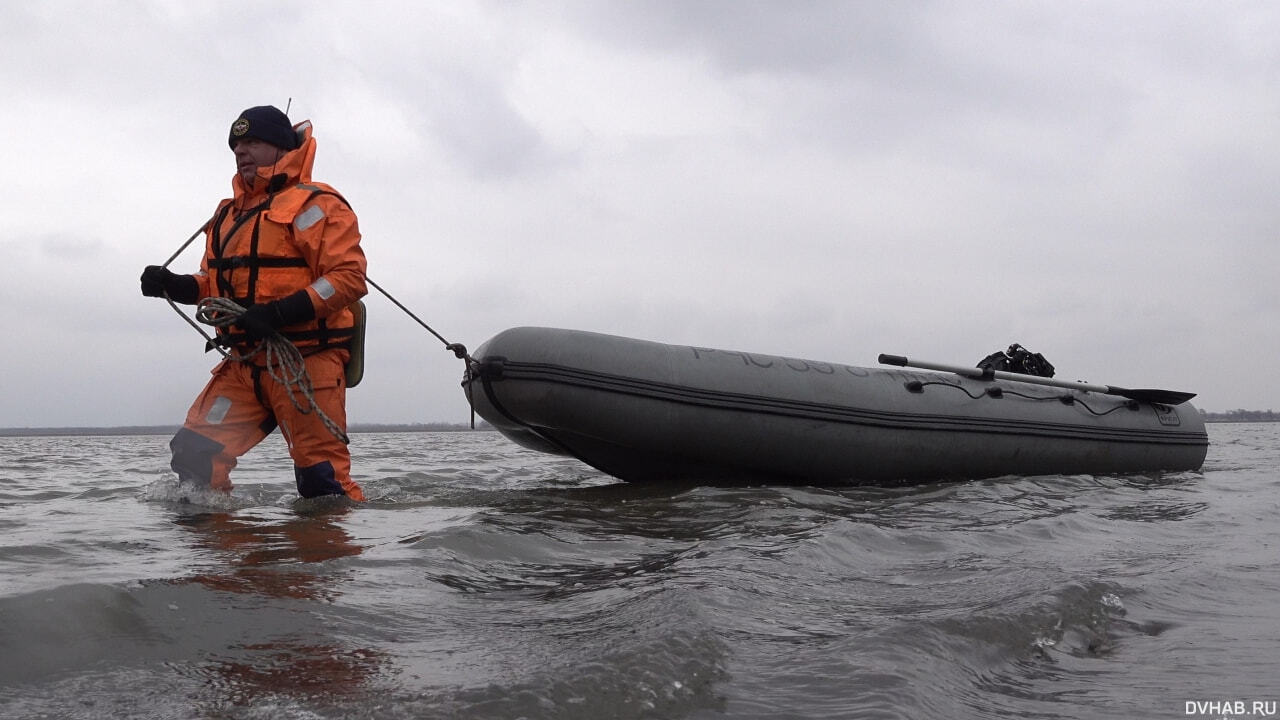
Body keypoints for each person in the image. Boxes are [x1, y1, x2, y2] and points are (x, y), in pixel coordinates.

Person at [141, 105, 367, 501]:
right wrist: (174, 286)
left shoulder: (319, 204)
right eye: (236, 144)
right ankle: (224, 556)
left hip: (306, 360)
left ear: (280, 147)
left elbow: (347, 278)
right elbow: (213, 284)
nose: (241, 151)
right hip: (245, 363)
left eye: (252, 142)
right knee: (195, 455)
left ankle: (331, 557)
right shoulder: (226, 216)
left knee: (321, 483)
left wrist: (281, 313)